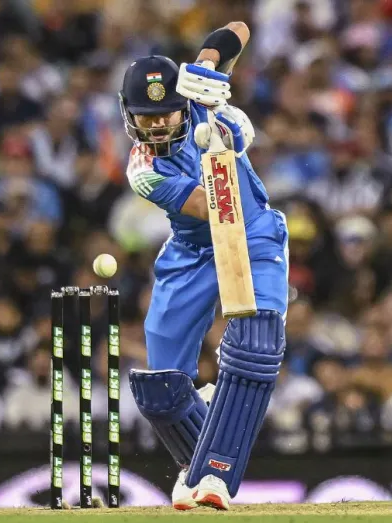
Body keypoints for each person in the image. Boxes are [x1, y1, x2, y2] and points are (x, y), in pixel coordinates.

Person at [121, 22, 289, 510]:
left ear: (183, 104)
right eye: (146, 117)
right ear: (129, 115)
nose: (158, 125)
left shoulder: (206, 105)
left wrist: (210, 70)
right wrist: (217, 142)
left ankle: (214, 475)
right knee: (160, 389)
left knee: (255, 344)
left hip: (253, 234)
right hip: (193, 249)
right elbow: (209, 206)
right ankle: (194, 465)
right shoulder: (143, 169)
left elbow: (238, 29)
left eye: (166, 113)